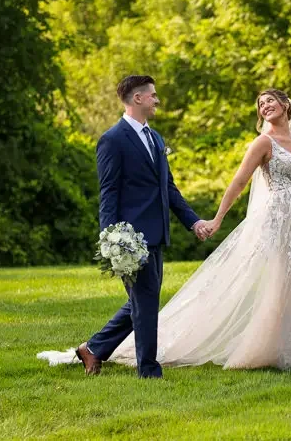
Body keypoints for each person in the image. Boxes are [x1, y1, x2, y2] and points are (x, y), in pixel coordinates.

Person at [39, 88, 291, 371]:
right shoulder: (261, 143)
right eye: (260, 104)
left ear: (286, 105)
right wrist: (216, 219)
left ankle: (95, 348)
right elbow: (239, 182)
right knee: (274, 284)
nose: (265, 106)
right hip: (271, 223)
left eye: (270, 101)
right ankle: (145, 366)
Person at [44, 75, 210, 378]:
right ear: (137, 99)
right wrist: (110, 238)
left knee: (144, 300)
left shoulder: (156, 139)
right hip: (129, 239)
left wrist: (193, 221)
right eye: (153, 96)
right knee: (145, 303)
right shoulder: (113, 139)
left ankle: (93, 349)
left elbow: (168, 189)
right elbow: (109, 192)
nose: (157, 100)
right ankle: (149, 371)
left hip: (157, 234)